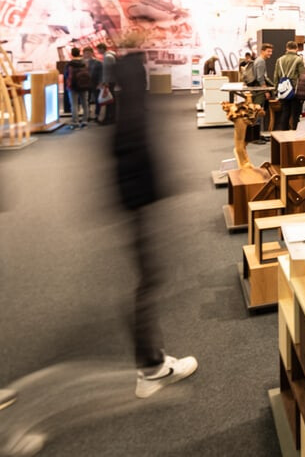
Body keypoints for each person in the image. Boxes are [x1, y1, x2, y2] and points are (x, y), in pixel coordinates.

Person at [112, 38, 198, 399]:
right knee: (148, 280)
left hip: (133, 199)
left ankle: (149, 364)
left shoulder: (120, 89)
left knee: (148, 278)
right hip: (137, 199)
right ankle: (150, 369)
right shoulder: (132, 88)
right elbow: (134, 144)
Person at [273, 41, 305, 130]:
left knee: (285, 113)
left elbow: (276, 76)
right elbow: (302, 76)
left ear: (286, 48)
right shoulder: (298, 59)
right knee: (295, 115)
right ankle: (295, 136)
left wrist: (276, 90)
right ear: (296, 49)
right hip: (295, 90)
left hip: (283, 90)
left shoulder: (279, 60)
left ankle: (284, 136)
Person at [64, 47, 92, 130]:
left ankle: (75, 122)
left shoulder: (69, 64)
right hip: (84, 85)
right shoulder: (85, 63)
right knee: (85, 103)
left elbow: (66, 75)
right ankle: (85, 122)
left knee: (74, 104)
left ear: (72, 54)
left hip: (72, 86)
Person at [254, 43, 274, 133]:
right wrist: (266, 91)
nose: (270, 53)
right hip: (259, 91)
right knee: (258, 112)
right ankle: (256, 136)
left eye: (271, 51)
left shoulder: (259, 60)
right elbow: (260, 78)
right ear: (262, 51)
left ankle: (258, 135)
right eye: (268, 51)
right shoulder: (261, 61)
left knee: (257, 112)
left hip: (258, 90)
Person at [97, 43, 117, 124]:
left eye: (98, 49)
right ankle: (110, 117)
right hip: (111, 80)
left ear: (102, 48)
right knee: (110, 99)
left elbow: (107, 71)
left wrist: (105, 82)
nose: (98, 51)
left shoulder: (108, 57)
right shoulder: (110, 56)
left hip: (109, 81)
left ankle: (110, 117)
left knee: (109, 100)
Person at [82, 47, 103, 123]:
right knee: (85, 100)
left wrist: (100, 83)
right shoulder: (81, 62)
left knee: (97, 100)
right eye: (85, 53)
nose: (87, 55)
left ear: (92, 53)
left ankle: (97, 115)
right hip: (84, 84)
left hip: (95, 83)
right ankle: (87, 115)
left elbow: (101, 74)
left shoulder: (97, 62)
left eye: (88, 53)